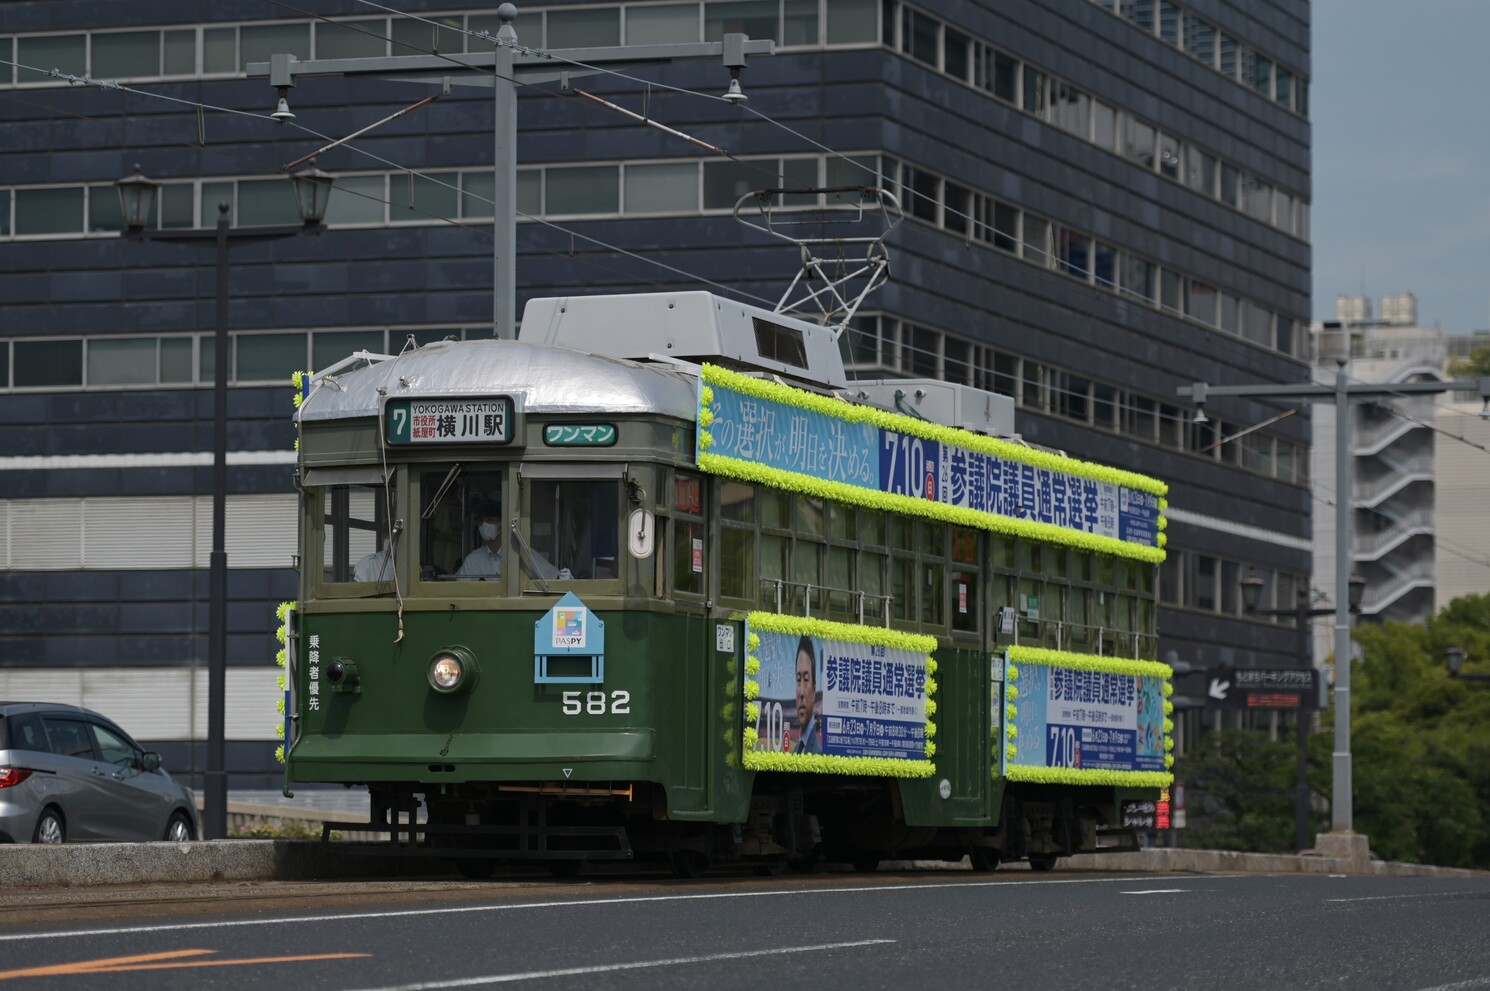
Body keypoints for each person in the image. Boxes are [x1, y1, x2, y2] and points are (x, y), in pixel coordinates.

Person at [456, 500, 570, 580]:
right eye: (480, 522)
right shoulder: (472, 560)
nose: (484, 525)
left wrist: (565, 579)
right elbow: (458, 591)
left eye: (490, 520)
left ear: (501, 523)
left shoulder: (521, 554)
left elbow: (554, 578)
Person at [794, 634, 823, 754]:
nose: (801, 692)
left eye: (806, 680)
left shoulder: (817, 753)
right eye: (798, 680)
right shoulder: (796, 750)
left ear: (814, 689)